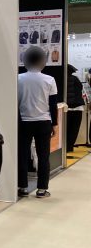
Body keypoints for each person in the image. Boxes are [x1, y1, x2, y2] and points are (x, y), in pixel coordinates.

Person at [17, 46, 58, 198]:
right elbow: (52, 104)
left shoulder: (18, 79)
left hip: (23, 122)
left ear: (26, 60)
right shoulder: (49, 80)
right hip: (43, 122)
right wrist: (55, 124)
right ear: (42, 60)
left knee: (22, 155)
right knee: (43, 156)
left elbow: (15, 102)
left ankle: (22, 187)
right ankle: (41, 189)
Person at [66, 64, 84, 153]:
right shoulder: (76, 79)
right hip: (78, 107)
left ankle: (64, 147)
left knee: (66, 129)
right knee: (74, 129)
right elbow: (80, 88)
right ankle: (70, 147)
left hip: (66, 108)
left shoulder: (60, 79)